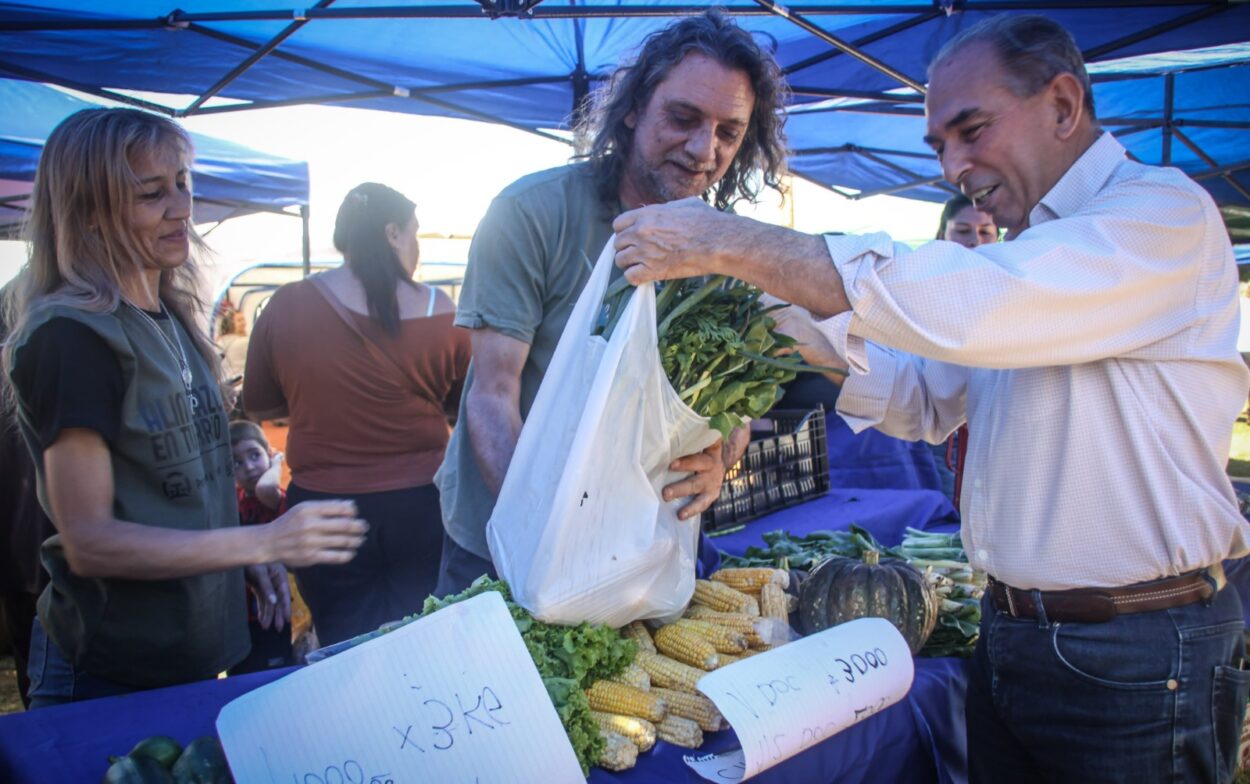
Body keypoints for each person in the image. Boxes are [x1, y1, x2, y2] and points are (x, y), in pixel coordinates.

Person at [612, 14, 1249, 783]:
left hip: (1136, 648)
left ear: (1063, 104)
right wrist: (786, 323)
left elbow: (977, 302)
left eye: (971, 130)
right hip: (1012, 632)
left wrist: (733, 242)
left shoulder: (1159, 216)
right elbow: (927, 397)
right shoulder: (1032, 258)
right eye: (939, 144)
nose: (954, 164)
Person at [1, 108, 367, 708]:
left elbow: (183, 480)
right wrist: (263, 544)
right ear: (89, 212)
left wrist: (240, 558)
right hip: (107, 667)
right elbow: (90, 540)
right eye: (151, 193)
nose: (180, 208)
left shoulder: (172, 317)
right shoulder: (74, 336)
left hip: (191, 650)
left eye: (183, 184)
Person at [433, 9, 782, 595]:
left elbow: (735, 403)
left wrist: (723, 456)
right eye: (683, 117)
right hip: (507, 532)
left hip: (635, 545)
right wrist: (547, 527)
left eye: (729, 132)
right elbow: (494, 398)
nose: (704, 149)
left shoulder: (727, 250)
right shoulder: (532, 215)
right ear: (631, 107)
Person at [245, 183, 470, 646]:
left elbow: (261, 405)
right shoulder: (441, 311)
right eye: (415, 234)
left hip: (323, 510)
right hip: (422, 506)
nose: (417, 246)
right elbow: (462, 405)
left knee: (342, 642)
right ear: (392, 233)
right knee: (421, 635)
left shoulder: (287, 304)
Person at [931, 195, 1000, 500]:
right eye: (963, 231)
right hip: (933, 431)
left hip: (989, 427)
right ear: (942, 234)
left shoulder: (1013, 289)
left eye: (986, 232)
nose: (975, 240)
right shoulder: (923, 285)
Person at [226, 420, 293, 674]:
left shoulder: (274, 496)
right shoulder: (233, 501)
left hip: (278, 606)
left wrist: (276, 463)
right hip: (243, 615)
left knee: (276, 673)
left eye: (255, 455)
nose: (249, 467)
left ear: (269, 452)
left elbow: (265, 486)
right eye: (237, 463)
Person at [216, 305, 249, 380]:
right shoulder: (245, 342)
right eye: (239, 320)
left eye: (243, 319)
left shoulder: (219, 342)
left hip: (226, 383)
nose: (243, 323)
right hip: (241, 382)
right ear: (231, 324)